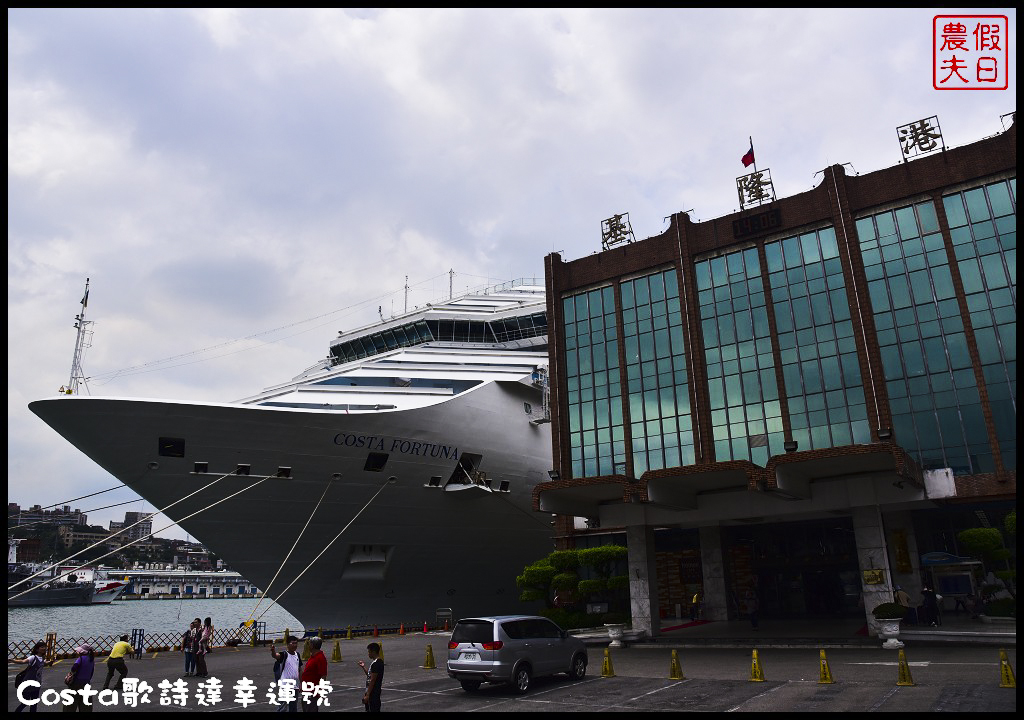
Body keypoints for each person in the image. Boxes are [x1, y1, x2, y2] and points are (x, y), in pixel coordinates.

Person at [13, 641, 54, 713]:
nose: (44, 648)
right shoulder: (33, 657)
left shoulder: (42, 658)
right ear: (37, 649)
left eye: (45, 647)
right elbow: (23, 661)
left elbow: (43, 664)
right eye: (42, 647)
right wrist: (13, 660)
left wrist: (50, 662)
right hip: (28, 684)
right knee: (25, 702)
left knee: (34, 703)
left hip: (37, 685)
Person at [270, 637, 303, 712]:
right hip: (285, 686)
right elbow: (276, 656)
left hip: (295, 686)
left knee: (293, 707)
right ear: (288, 644)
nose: (295, 645)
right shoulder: (284, 654)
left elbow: (300, 669)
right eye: (293, 643)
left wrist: (301, 683)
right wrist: (273, 651)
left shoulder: (297, 655)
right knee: (282, 708)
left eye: (296, 643)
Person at [64, 644, 96, 713]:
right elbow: (92, 672)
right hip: (86, 684)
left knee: (70, 705)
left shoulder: (80, 659)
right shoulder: (91, 659)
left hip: (76, 683)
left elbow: (74, 668)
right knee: (85, 706)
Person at [300, 637, 328, 712]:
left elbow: (323, 676)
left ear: (312, 645)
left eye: (309, 644)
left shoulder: (320, 658)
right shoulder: (313, 656)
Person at [358, 642, 384, 712]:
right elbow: (370, 675)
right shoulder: (376, 662)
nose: (368, 654)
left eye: (369, 652)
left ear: (374, 652)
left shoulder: (376, 664)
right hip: (374, 692)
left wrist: (368, 694)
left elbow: (372, 680)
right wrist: (363, 667)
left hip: (373, 693)